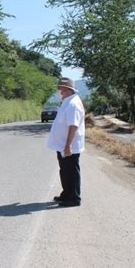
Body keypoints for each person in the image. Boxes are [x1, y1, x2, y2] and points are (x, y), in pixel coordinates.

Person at [47, 78, 85, 207]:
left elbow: (73, 126)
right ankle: (66, 194)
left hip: (68, 145)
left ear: (69, 90)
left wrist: (68, 145)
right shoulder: (67, 102)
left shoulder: (73, 104)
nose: (60, 91)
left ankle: (74, 198)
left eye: (61, 89)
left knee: (71, 172)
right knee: (65, 170)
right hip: (63, 144)